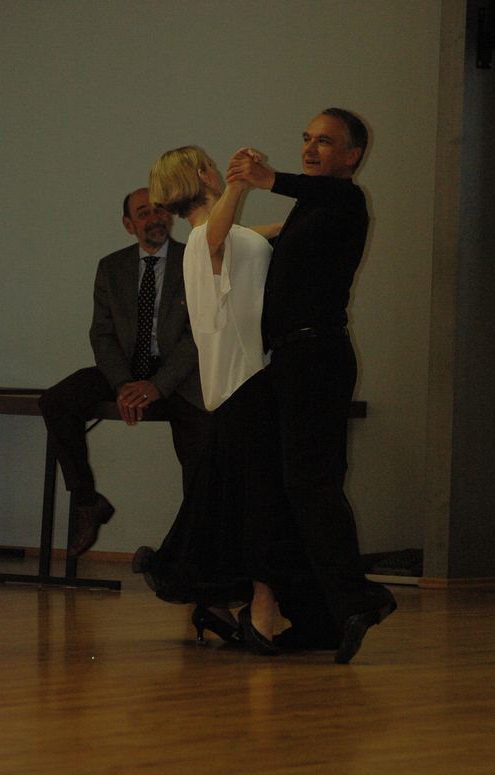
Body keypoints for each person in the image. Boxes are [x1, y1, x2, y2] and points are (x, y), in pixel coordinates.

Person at [226, 108, 397, 664]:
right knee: (286, 487)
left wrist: (266, 179)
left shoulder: (347, 200)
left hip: (317, 357)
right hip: (290, 359)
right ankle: (319, 617)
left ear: (352, 156)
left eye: (324, 141)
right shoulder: (309, 211)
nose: (309, 148)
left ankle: (358, 599)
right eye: (305, 138)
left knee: (311, 485)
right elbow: (256, 244)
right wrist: (216, 202)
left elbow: (315, 192)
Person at [133, 146, 311, 655]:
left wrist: (310, 212)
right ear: (202, 174)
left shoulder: (227, 237)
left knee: (244, 502)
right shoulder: (201, 239)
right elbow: (219, 236)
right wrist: (239, 183)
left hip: (246, 383)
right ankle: (260, 610)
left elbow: (251, 236)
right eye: (210, 165)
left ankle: (245, 606)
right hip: (243, 384)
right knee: (261, 502)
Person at [39, 188, 213, 558]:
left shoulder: (194, 260)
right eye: (143, 212)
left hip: (179, 376)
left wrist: (157, 385)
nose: (154, 218)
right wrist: (122, 384)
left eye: (160, 210)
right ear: (128, 225)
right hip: (124, 370)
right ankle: (88, 501)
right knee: (56, 401)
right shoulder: (111, 267)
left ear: (171, 215)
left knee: (204, 444)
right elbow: (101, 334)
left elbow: (199, 333)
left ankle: (195, 550)